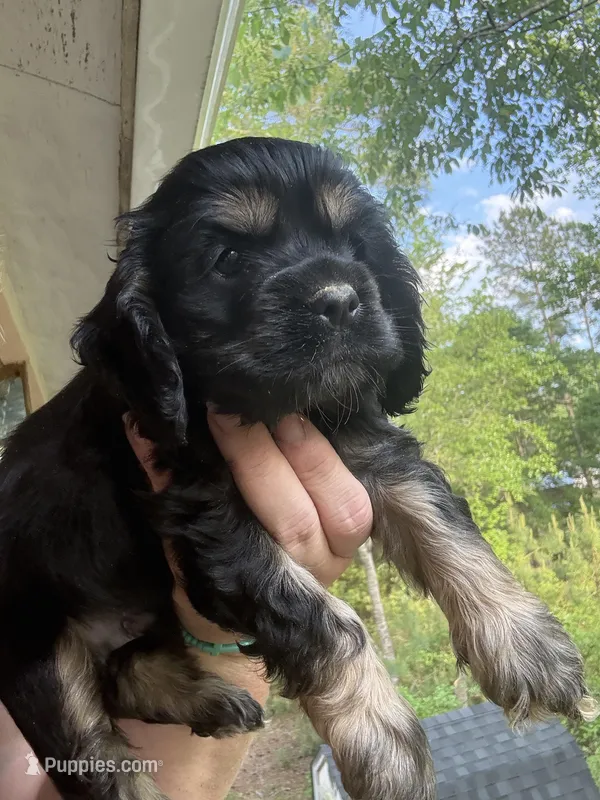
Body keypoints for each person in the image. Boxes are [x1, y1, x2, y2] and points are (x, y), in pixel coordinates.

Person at [0, 410, 373, 800]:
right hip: (66, 615)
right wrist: (233, 625)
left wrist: (216, 632)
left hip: (131, 615)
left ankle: (143, 676)